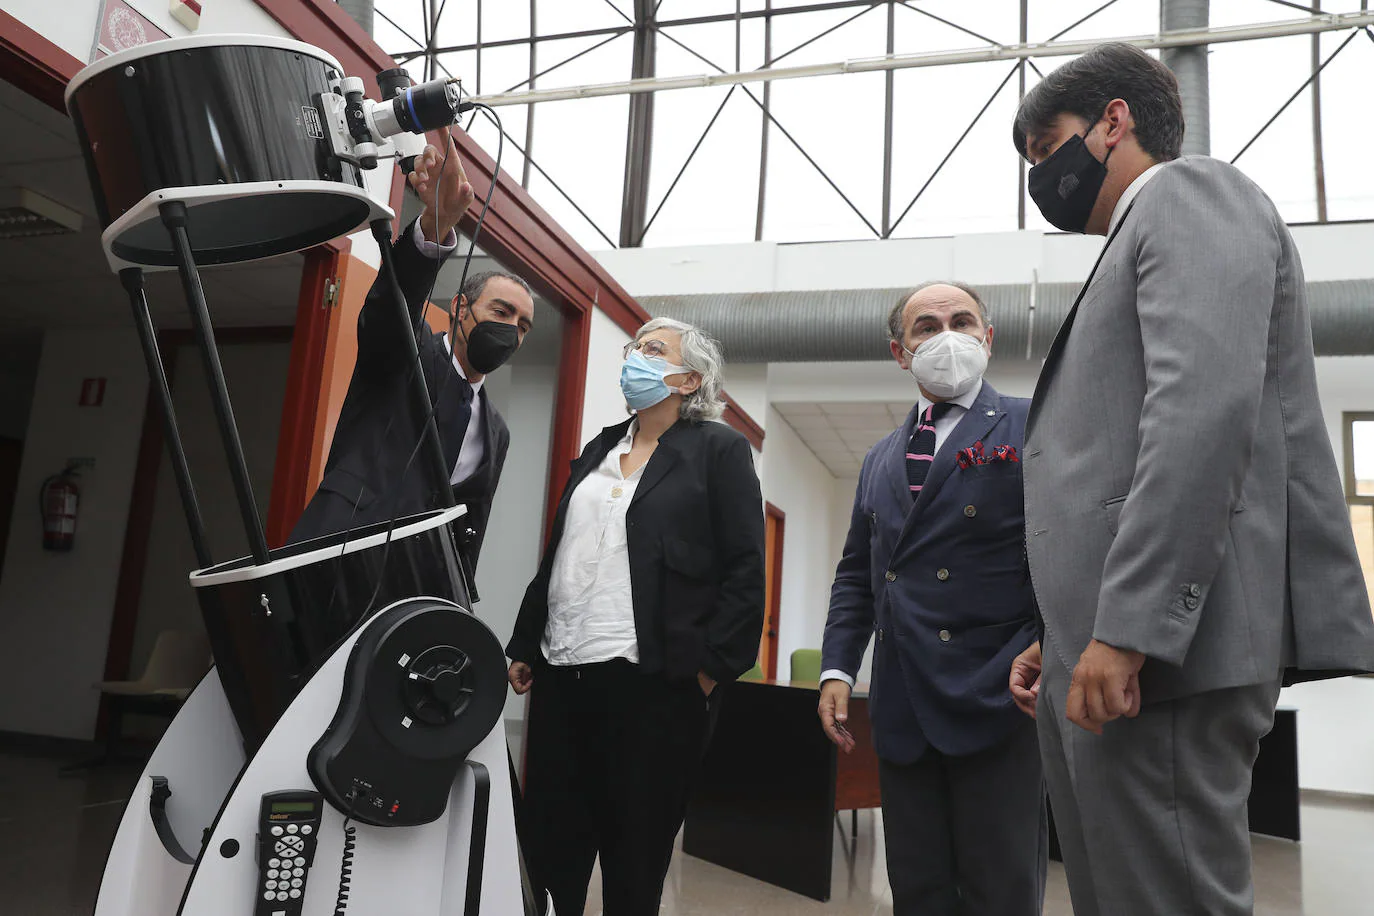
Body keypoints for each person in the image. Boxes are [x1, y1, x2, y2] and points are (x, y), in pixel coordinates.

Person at [1008, 42, 1374, 916]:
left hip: (1163, 661)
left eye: (1044, 147)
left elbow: (1199, 417)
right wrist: (1060, 634)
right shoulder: (1139, 234)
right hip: (1108, 655)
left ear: (1113, 122)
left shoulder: (1189, 192)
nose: (1040, 177)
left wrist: (1128, 625)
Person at [505, 318, 765, 916]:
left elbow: (746, 569)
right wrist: (526, 641)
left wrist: (709, 670)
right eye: (634, 347)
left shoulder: (718, 451)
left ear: (688, 378)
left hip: (655, 687)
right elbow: (562, 552)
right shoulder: (600, 446)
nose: (635, 358)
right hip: (565, 675)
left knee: (634, 861)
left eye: (653, 350)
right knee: (548, 852)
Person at [818, 282, 1045, 916]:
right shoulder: (879, 458)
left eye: (962, 320)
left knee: (999, 890)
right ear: (901, 351)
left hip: (998, 694)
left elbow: (1071, 551)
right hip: (903, 702)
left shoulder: (1033, 421)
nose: (947, 335)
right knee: (917, 891)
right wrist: (838, 666)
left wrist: (1052, 643)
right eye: (926, 326)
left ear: (988, 337)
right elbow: (857, 575)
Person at [289, 126, 535, 568]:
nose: (512, 329)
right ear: (461, 308)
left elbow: (469, 527)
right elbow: (390, 310)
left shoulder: (497, 431)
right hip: (334, 561)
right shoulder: (409, 352)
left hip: (412, 597)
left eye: (523, 325)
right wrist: (434, 227)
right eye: (501, 312)